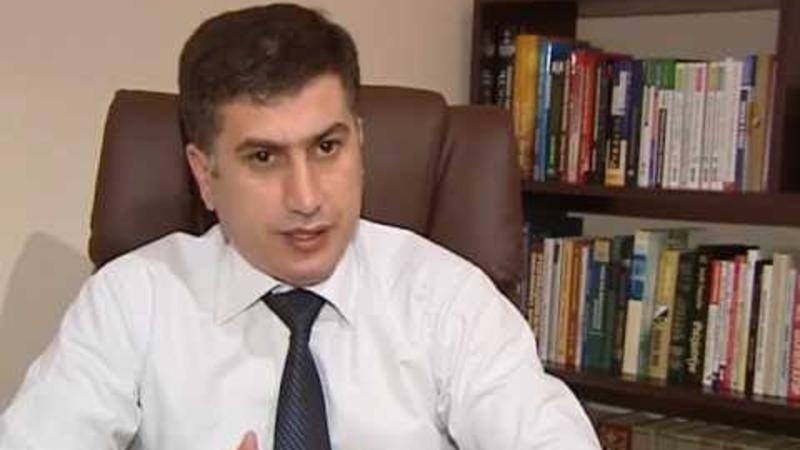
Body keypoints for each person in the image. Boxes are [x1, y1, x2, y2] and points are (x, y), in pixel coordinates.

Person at [0, 4, 600, 449]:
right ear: (205, 175)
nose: (307, 198)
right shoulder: (133, 301)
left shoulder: (448, 301)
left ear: (360, 143)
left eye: (327, 147)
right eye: (264, 157)